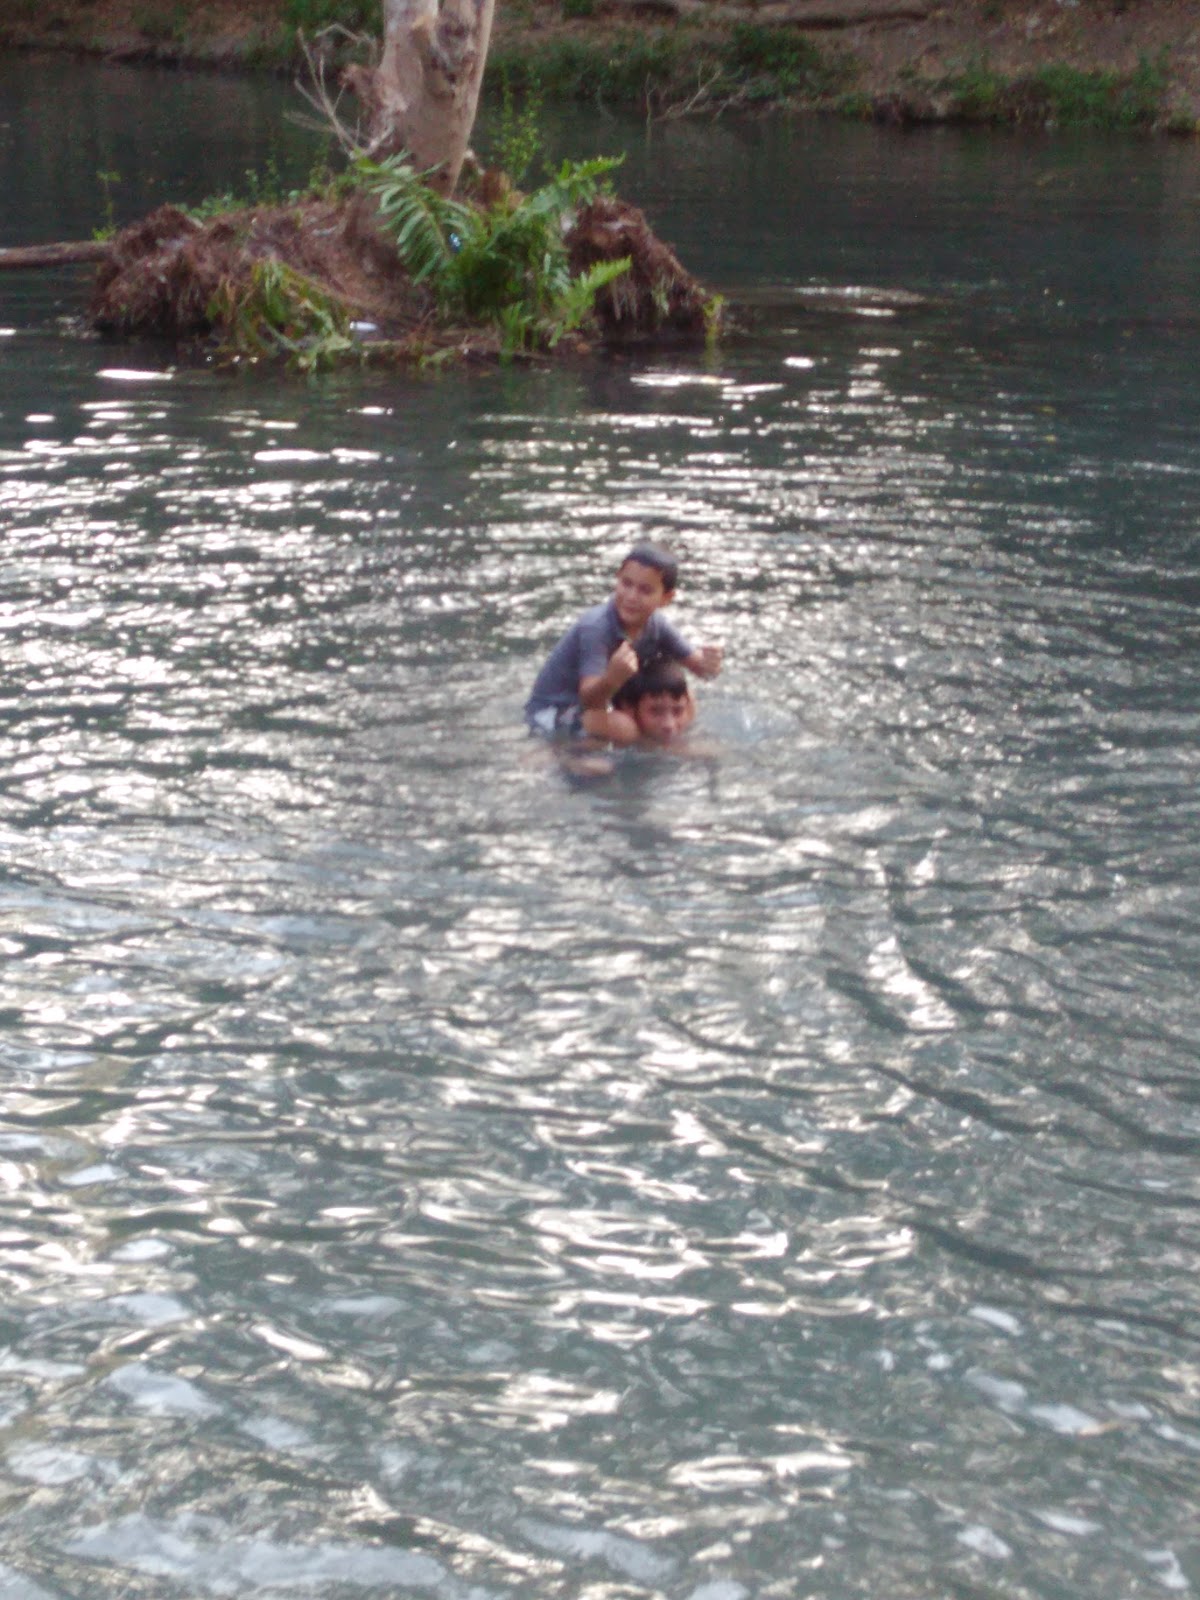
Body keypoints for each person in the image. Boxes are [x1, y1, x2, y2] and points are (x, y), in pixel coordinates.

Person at [524, 543, 722, 746]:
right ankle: (570, 751)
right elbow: (589, 700)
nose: (631, 597)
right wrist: (611, 680)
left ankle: (656, 747)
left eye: (645, 590)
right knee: (625, 729)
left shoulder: (656, 624)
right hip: (553, 711)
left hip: (597, 706)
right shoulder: (596, 627)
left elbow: (701, 669)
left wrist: (710, 664)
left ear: (666, 598)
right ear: (617, 579)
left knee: (686, 699)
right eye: (626, 584)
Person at [611, 661, 695, 747]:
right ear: (630, 709)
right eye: (656, 711)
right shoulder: (622, 732)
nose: (669, 725)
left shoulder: (689, 714)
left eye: (677, 711)